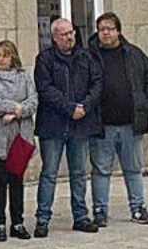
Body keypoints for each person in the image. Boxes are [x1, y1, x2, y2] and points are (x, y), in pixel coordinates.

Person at [86, 12, 148, 227]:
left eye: (110, 28)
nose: (106, 33)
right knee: (101, 170)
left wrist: (146, 105)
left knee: (133, 169)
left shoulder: (134, 54)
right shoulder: (90, 56)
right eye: (102, 29)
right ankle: (100, 211)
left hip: (130, 123)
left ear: (118, 31)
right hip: (102, 124)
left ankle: (138, 208)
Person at [33, 17, 102, 237]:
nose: (70, 37)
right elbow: (45, 89)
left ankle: (80, 216)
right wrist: (69, 107)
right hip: (53, 125)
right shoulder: (45, 59)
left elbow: (97, 83)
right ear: (54, 37)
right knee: (49, 173)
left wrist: (85, 106)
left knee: (79, 172)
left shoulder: (86, 57)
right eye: (64, 34)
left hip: (80, 123)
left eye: (72, 32)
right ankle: (43, 218)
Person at [0, 40, 36, 242]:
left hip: (19, 135)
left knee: (17, 180)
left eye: (5, 55)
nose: (1, 59)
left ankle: (17, 222)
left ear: (13, 57)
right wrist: (14, 107)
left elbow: (33, 100)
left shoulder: (23, 76)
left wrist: (18, 113)